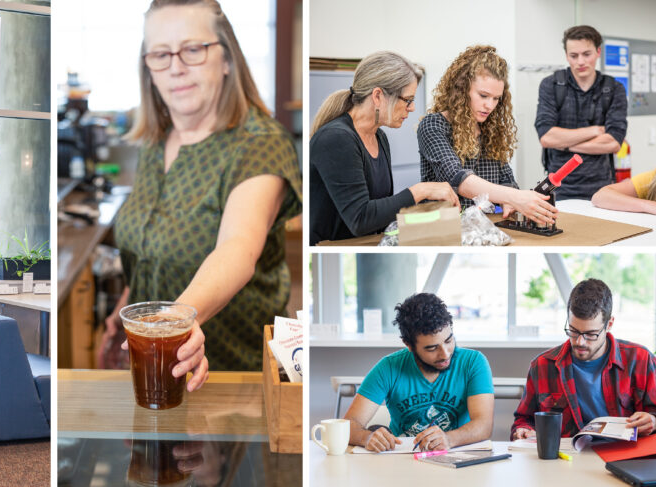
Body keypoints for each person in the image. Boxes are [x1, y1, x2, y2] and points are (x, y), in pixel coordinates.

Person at [97, 0, 301, 381]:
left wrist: (172, 322)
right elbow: (151, 250)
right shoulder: (155, 142)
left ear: (227, 59)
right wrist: (125, 312)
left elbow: (238, 247)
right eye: (160, 54)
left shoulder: (261, 143)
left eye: (193, 49)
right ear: (148, 68)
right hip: (159, 367)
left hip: (236, 377)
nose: (176, 66)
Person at [309, 51, 457, 244]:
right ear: (378, 96)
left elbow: (379, 214)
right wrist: (421, 191)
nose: (412, 108)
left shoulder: (379, 136)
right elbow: (360, 219)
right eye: (408, 100)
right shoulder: (336, 139)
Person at [512, 279, 656, 440]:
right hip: (565, 462)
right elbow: (523, 420)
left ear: (609, 324)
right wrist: (524, 430)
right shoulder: (541, 366)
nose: (579, 342)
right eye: (573, 330)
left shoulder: (641, 360)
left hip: (625, 460)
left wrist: (655, 422)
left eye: (591, 334)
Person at [418, 45, 556, 225]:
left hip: (485, 227)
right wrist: (516, 197)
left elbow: (506, 179)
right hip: (444, 228)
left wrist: (509, 201)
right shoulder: (433, 125)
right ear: (461, 89)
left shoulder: (490, 129)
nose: (489, 106)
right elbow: (459, 180)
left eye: (496, 98)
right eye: (483, 95)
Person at [342, 293, 495, 452]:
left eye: (449, 341)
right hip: (403, 460)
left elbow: (484, 425)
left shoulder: (473, 362)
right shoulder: (388, 368)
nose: (445, 354)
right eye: (432, 348)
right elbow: (349, 425)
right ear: (409, 345)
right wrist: (366, 437)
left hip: (459, 457)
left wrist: (449, 439)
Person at [535, 25, 629, 201]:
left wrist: (564, 144)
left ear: (598, 51)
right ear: (566, 55)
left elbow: (613, 143)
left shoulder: (614, 89)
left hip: (601, 185)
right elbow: (547, 137)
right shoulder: (551, 85)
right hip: (558, 185)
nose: (580, 62)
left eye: (587, 54)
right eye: (573, 56)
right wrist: (595, 131)